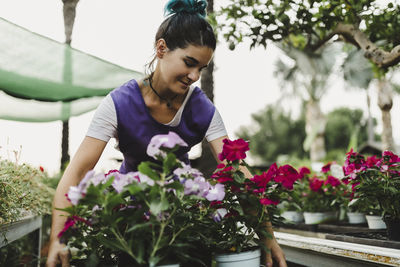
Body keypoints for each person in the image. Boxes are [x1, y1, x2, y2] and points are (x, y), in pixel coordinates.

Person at [46, 0, 287, 266]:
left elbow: (237, 171)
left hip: (183, 227)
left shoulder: (202, 109)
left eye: (202, 68)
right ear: (161, 48)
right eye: (189, 62)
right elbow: (76, 173)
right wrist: (58, 239)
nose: (195, 76)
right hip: (131, 230)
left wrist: (268, 238)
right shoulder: (118, 104)